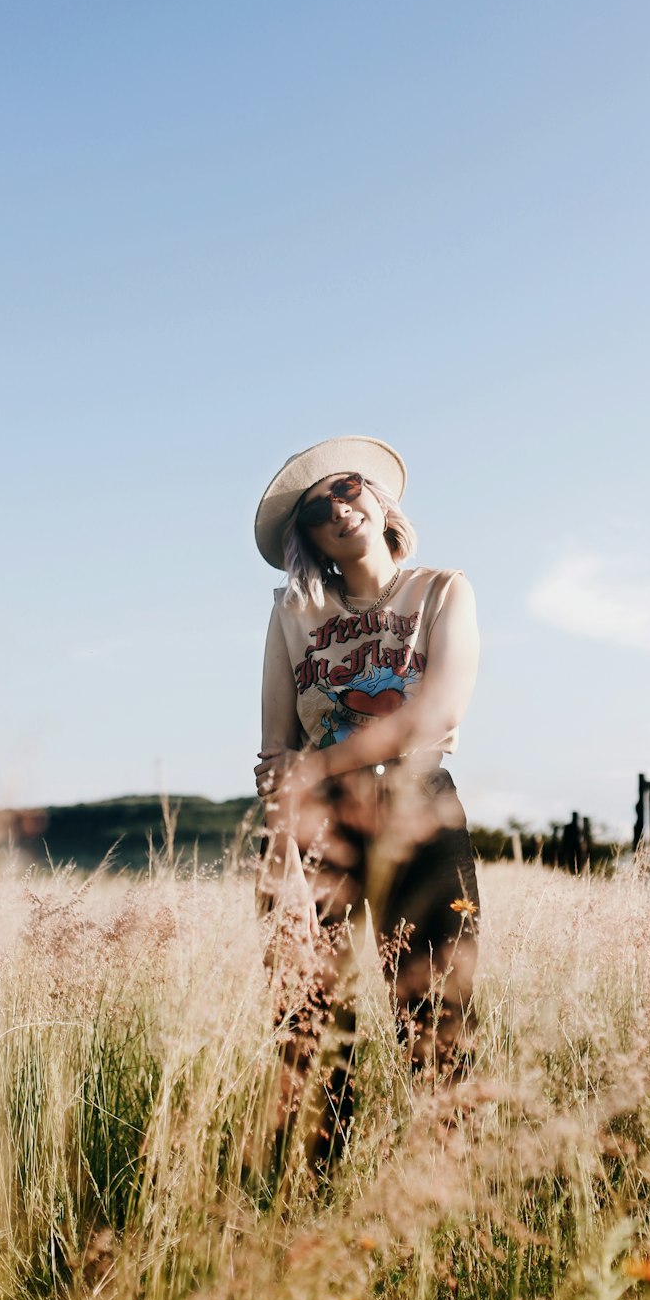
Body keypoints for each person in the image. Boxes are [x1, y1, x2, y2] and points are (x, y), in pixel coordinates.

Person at [253, 435, 480, 1172]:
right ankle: (312, 1195)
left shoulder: (442, 591)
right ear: (308, 539)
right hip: (320, 821)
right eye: (317, 509)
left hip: (417, 805)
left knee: (434, 1015)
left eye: (347, 488)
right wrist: (281, 828)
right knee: (312, 1022)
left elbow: (434, 716)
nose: (338, 509)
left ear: (380, 499)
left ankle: (446, 1198)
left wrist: (314, 763)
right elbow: (273, 754)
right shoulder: (292, 614)